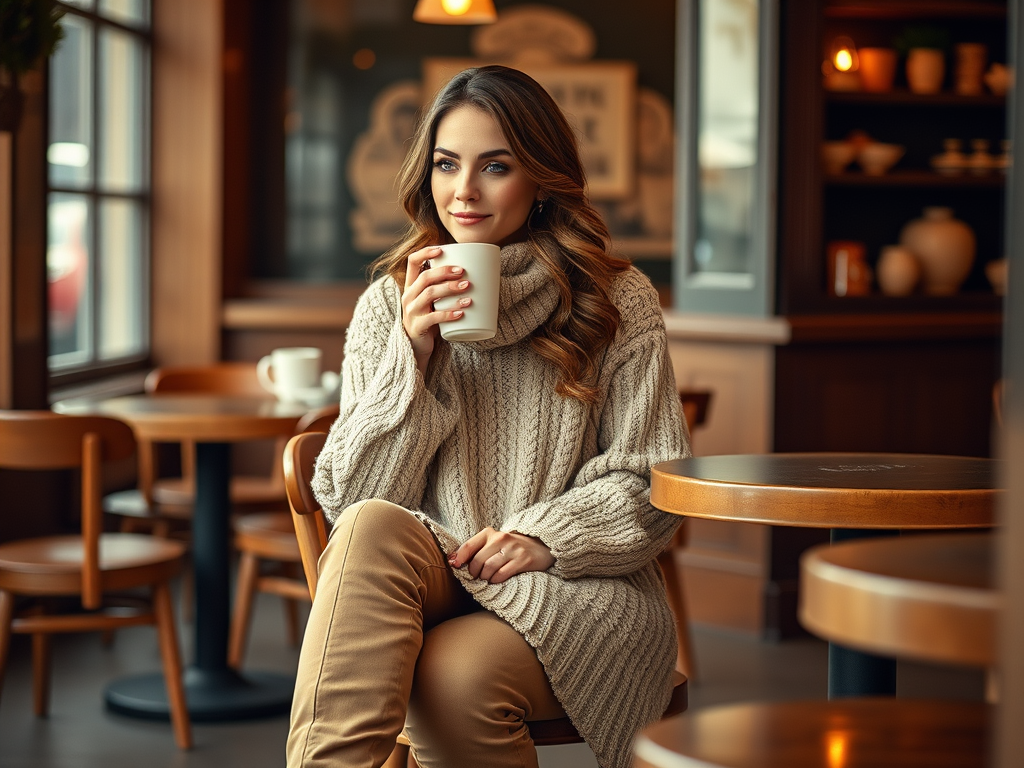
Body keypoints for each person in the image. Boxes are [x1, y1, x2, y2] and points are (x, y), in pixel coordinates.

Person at [287, 65, 689, 768]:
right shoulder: (389, 305)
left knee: (455, 680)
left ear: (539, 178)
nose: (463, 191)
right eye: (446, 164)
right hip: (442, 572)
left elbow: (653, 482)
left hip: (579, 585)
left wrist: (544, 536)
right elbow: (352, 501)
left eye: (495, 166)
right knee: (371, 525)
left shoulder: (618, 299)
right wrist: (410, 356)